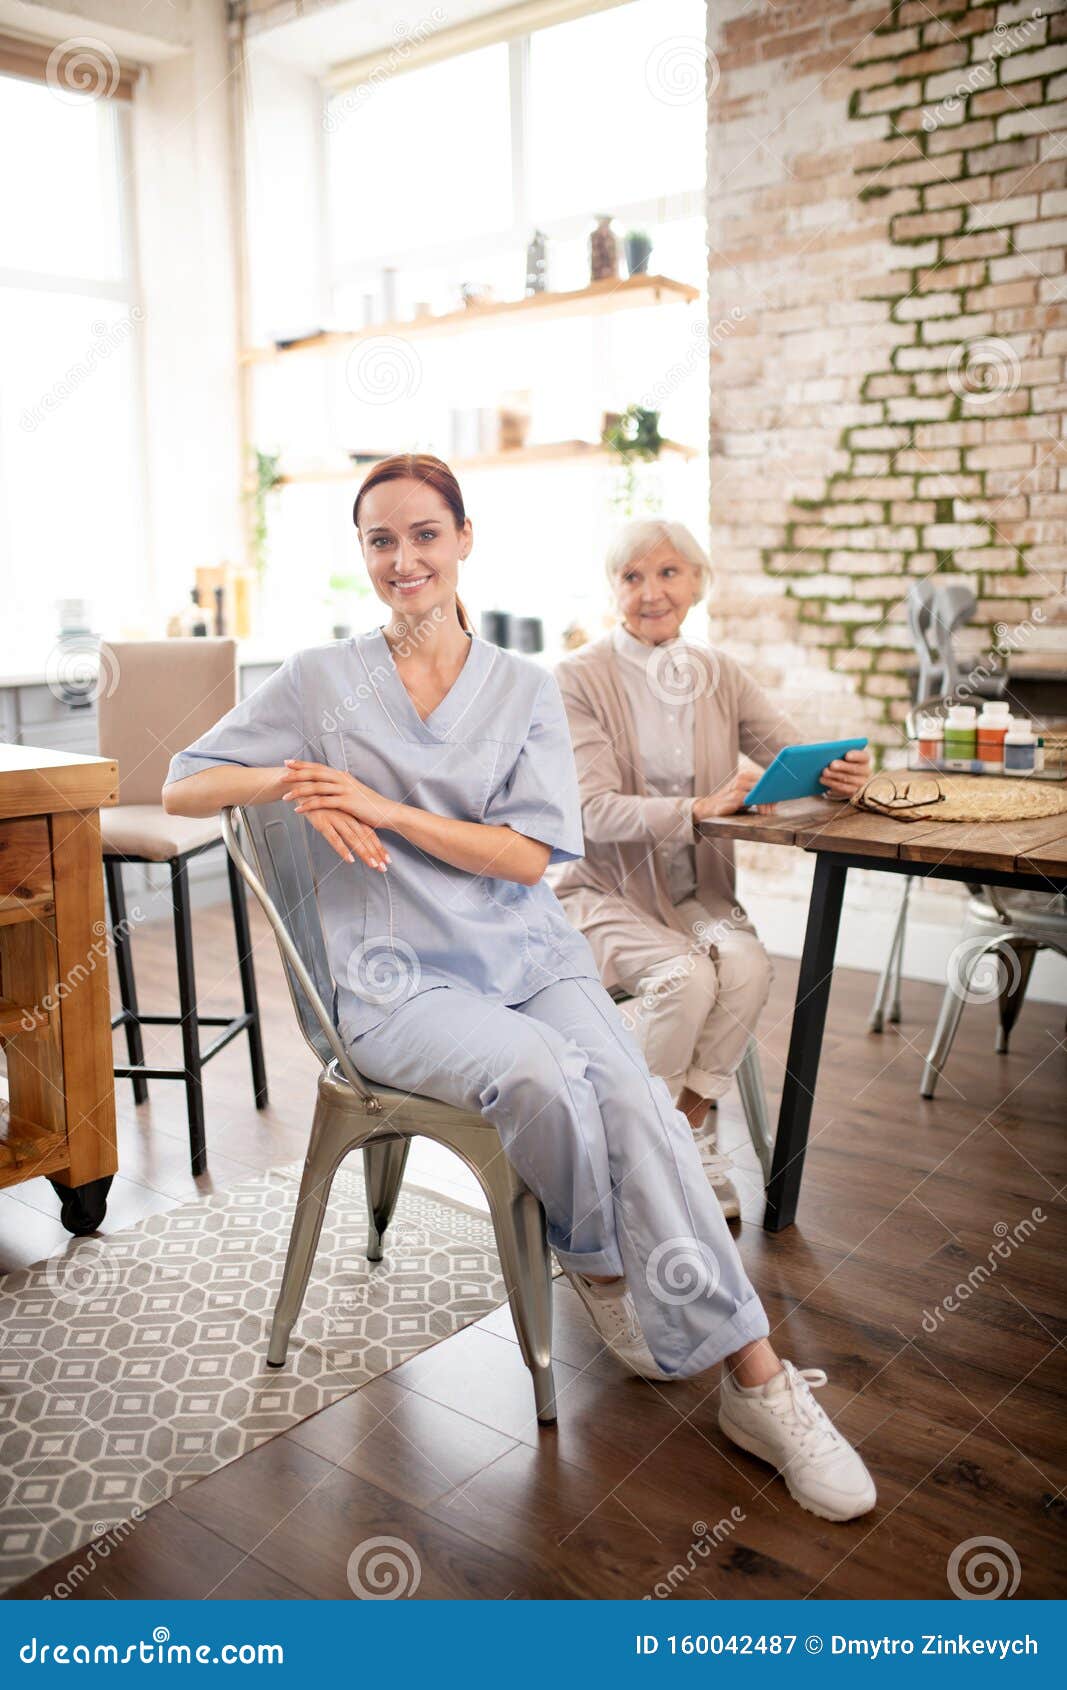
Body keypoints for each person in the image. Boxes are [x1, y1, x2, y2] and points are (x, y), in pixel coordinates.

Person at [162, 454, 876, 1523]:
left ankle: (757, 1383)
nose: (403, 559)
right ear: (364, 554)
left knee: (634, 1095)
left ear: (462, 541)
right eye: (379, 540)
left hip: (529, 952)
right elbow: (180, 785)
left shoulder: (523, 687)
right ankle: (596, 1260)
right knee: (540, 1076)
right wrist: (293, 779)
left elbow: (519, 858)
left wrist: (385, 808)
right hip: (397, 982)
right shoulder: (319, 680)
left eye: (423, 535)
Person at [551, 521, 871, 1217]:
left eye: (668, 573)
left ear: (696, 583)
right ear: (612, 589)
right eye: (631, 577)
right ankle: (643, 1156)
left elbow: (792, 757)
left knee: (750, 966)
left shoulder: (717, 672)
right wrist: (696, 806)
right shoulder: (576, 680)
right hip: (607, 891)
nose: (650, 592)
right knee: (685, 975)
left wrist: (838, 774)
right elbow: (592, 812)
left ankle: (676, 1135)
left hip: (697, 890)